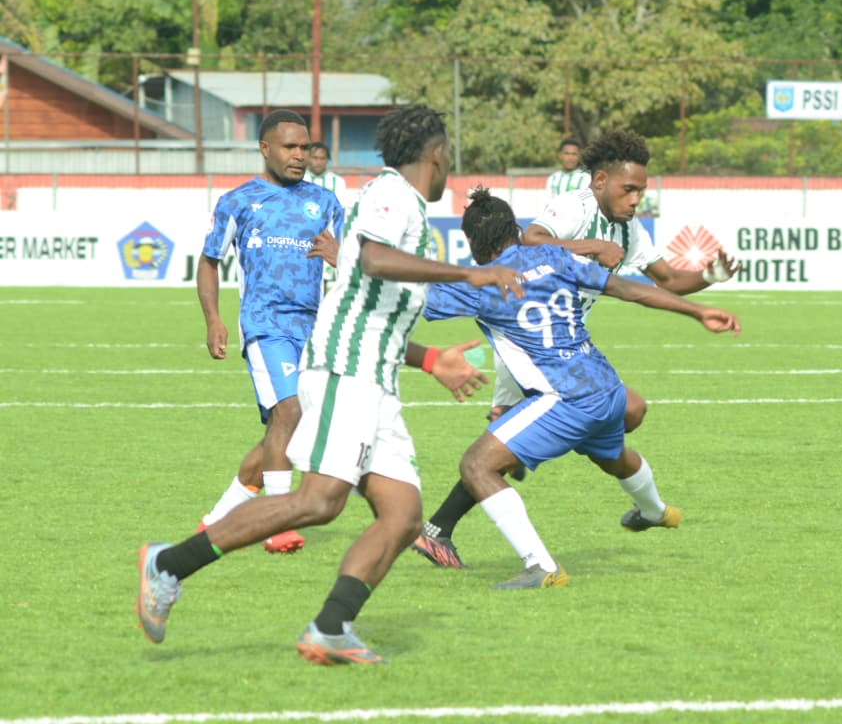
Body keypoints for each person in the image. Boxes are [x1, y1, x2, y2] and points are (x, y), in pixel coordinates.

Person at [136, 104, 526, 665]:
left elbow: (363, 298)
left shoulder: (393, 204)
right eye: (449, 159)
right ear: (437, 156)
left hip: (376, 379)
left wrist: (429, 358)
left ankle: (331, 627)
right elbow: (372, 258)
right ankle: (167, 565)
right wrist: (471, 272)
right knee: (318, 501)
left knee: (403, 516)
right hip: (346, 372)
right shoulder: (392, 196)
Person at [411, 128, 740, 569]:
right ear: (600, 180)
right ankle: (440, 531)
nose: (637, 199)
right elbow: (530, 241)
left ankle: (649, 509)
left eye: (642, 190)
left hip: (566, 343)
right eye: (629, 189)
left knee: (628, 413)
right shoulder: (573, 207)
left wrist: (708, 277)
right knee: (496, 456)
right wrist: (589, 246)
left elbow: (666, 281)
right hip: (527, 345)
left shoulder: (630, 230)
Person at [195, 110, 345, 555]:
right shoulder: (238, 201)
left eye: (304, 147)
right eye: (289, 147)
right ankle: (278, 521)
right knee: (290, 413)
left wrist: (343, 256)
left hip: (314, 329)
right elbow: (209, 259)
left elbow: (353, 260)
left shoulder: (326, 203)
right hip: (266, 324)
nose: (298, 155)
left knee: (283, 432)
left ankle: (216, 520)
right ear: (265, 148)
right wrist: (213, 318)